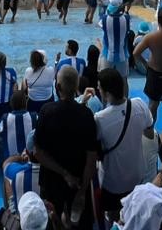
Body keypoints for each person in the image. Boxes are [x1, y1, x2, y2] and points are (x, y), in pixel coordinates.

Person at [32, 66, 97, 229]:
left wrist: (64, 174)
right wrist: (82, 192)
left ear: (57, 86)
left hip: (52, 182)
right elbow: (91, 159)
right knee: (82, 224)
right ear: (76, 87)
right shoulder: (86, 115)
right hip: (79, 182)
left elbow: (38, 153)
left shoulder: (46, 112)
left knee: (51, 223)